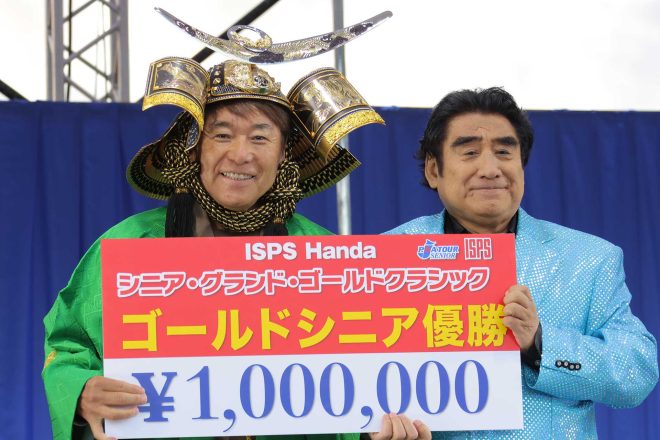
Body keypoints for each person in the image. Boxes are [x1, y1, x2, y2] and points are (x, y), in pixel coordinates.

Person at [42, 58, 431, 440]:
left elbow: (361, 379)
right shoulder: (130, 245)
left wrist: (375, 430)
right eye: (222, 135)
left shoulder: (323, 255)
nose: (241, 154)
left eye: (260, 137)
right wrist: (81, 392)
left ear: (284, 154)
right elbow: (68, 343)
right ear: (194, 149)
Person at [385, 87, 658, 438]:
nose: (490, 169)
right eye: (469, 152)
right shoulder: (388, 257)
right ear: (434, 169)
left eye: (504, 152)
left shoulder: (589, 260)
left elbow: (637, 373)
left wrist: (539, 343)